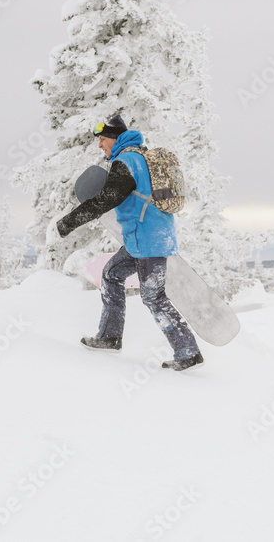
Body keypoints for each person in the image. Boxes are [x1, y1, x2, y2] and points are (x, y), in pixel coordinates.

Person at [52, 114, 203, 371]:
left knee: (153, 296)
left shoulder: (126, 162)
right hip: (142, 238)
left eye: (102, 140)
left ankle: (188, 351)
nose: (100, 146)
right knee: (111, 274)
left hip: (148, 239)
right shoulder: (137, 158)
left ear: (113, 138)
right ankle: (110, 336)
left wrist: (67, 223)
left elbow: (105, 200)